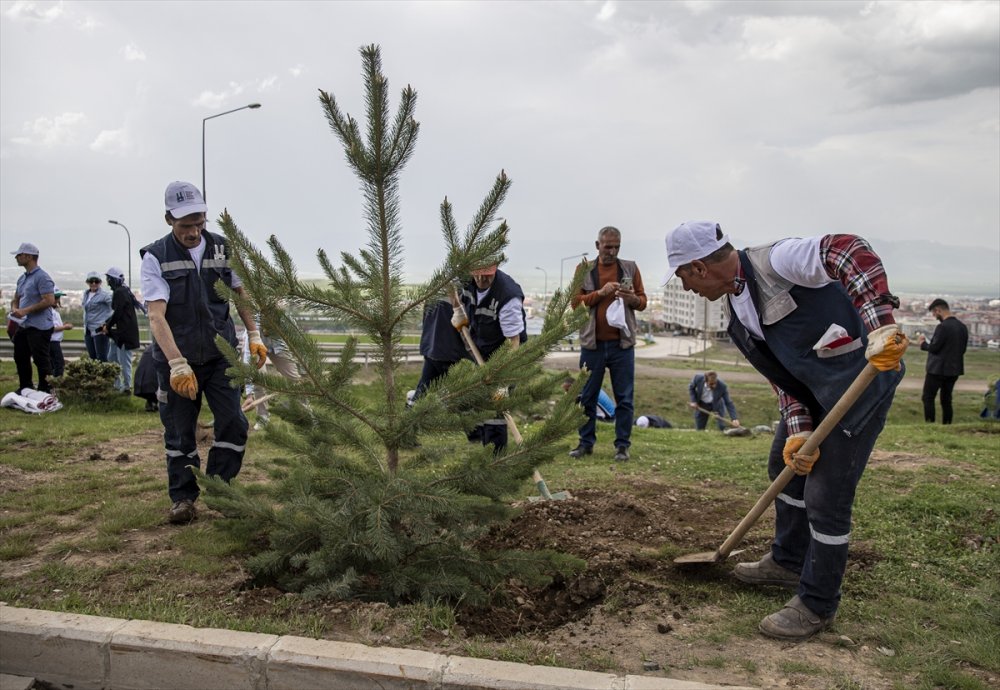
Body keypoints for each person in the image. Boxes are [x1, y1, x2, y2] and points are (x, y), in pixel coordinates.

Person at [662, 220, 906, 641]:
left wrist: (881, 324)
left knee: (826, 494)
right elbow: (783, 379)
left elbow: (847, 250)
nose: (685, 288)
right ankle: (788, 561)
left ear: (698, 267)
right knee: (784, 463)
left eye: (683, 275)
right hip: (813, 391)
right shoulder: (735, 313)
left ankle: (816, 604)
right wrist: (799, 430)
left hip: (860, 382)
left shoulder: (776, 262)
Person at [141, 181, 267, 525]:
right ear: (169, 219)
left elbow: (240, 293)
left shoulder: (224, 249)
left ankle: (222, 489)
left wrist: (253, 332)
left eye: (200, 222)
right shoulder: (156, 257)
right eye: (186, 225)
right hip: (176, 358)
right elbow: (156, 315)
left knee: (234, 423)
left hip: (219, 355)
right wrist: (177, 363)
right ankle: (183, 498)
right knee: (180, 433)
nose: (194, 231)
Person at [569, 226, 647, 462]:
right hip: (592, 345)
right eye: (607, 246)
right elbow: (575, 303)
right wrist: (601, 293)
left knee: (624, 398)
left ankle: (622, 446)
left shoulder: (630, 268)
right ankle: (585, 443)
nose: (612, 251)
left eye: (616, 247)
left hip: (622, 346)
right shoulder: (584, 270)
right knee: (587, 397)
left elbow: (642, 301)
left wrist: (631, 298)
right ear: (597, 245)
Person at [10, 242, 56, 393]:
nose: (16, 257)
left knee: (41, 359)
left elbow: (49, 300)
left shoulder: (42, 277)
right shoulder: (22, 279)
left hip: (40, 326)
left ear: (28, 257)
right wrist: (15, 309)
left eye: (19, 255)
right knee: (20, 356)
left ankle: (46, 389)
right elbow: (16, 298)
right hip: (24, 325)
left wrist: (25, 311)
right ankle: (25, 387)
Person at [459, 264, 527, 360]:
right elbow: (450, 285)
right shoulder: (465, 278)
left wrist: (504, 368)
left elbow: (513, 342)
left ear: (495, 267)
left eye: (486, 274)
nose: (481, 279)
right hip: (480, 346)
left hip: (502, 354)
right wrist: (457, 309)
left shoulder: (508, 297)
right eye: (476, 273)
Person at [917, 299, 968, 425]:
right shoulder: (962, 327)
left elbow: (934, 348)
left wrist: (923, 344)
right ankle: (947, 424)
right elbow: (962, 349)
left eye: (934, 314)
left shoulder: (942, 327)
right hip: (954, 370)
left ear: (938, 310)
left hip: (937, 370)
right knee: (946, 399)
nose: (935, 317)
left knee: (928, 397)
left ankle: (930, 424)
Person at [412, 298, 468, 401]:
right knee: (457, 395)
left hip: (432, 349)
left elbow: (425, 321)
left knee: (423, 389)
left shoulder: (434, 292)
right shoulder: (461, 294)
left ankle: (411, 411)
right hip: (450, 353)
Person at [101, 267, 141, 393]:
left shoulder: (120, 292)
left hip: (124, 334)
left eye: (108, 279)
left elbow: (118, 312)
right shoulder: (122, 291)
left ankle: (127, 387)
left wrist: (107, 326)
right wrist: (107, 324)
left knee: (124, 361)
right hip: (119, 333)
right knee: (112, 357)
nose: (107, 282)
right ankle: (117, 385)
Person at [82, 271, 112, 362]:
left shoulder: (105, 295)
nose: (94, 283)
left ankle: (104, 376)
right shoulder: (86, 294)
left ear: (100, 282)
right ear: (87, 282)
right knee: (92, 358)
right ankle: (95, 376)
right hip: (88, 330)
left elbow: (114, 308)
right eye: (91, 281)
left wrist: (107, 324)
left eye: (96, 281)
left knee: (102, 358)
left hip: (100, 331)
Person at [49, 290, 73, 378]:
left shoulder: (54, 311)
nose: (57, 300)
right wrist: (65, 327)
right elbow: (50, 328)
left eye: (58, 298)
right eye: (55, 298)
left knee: (54, 364)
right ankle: (56, 384)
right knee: (59, 365)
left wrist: (62, 325)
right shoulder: (49, 312)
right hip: (52, 341)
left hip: (55, 341)